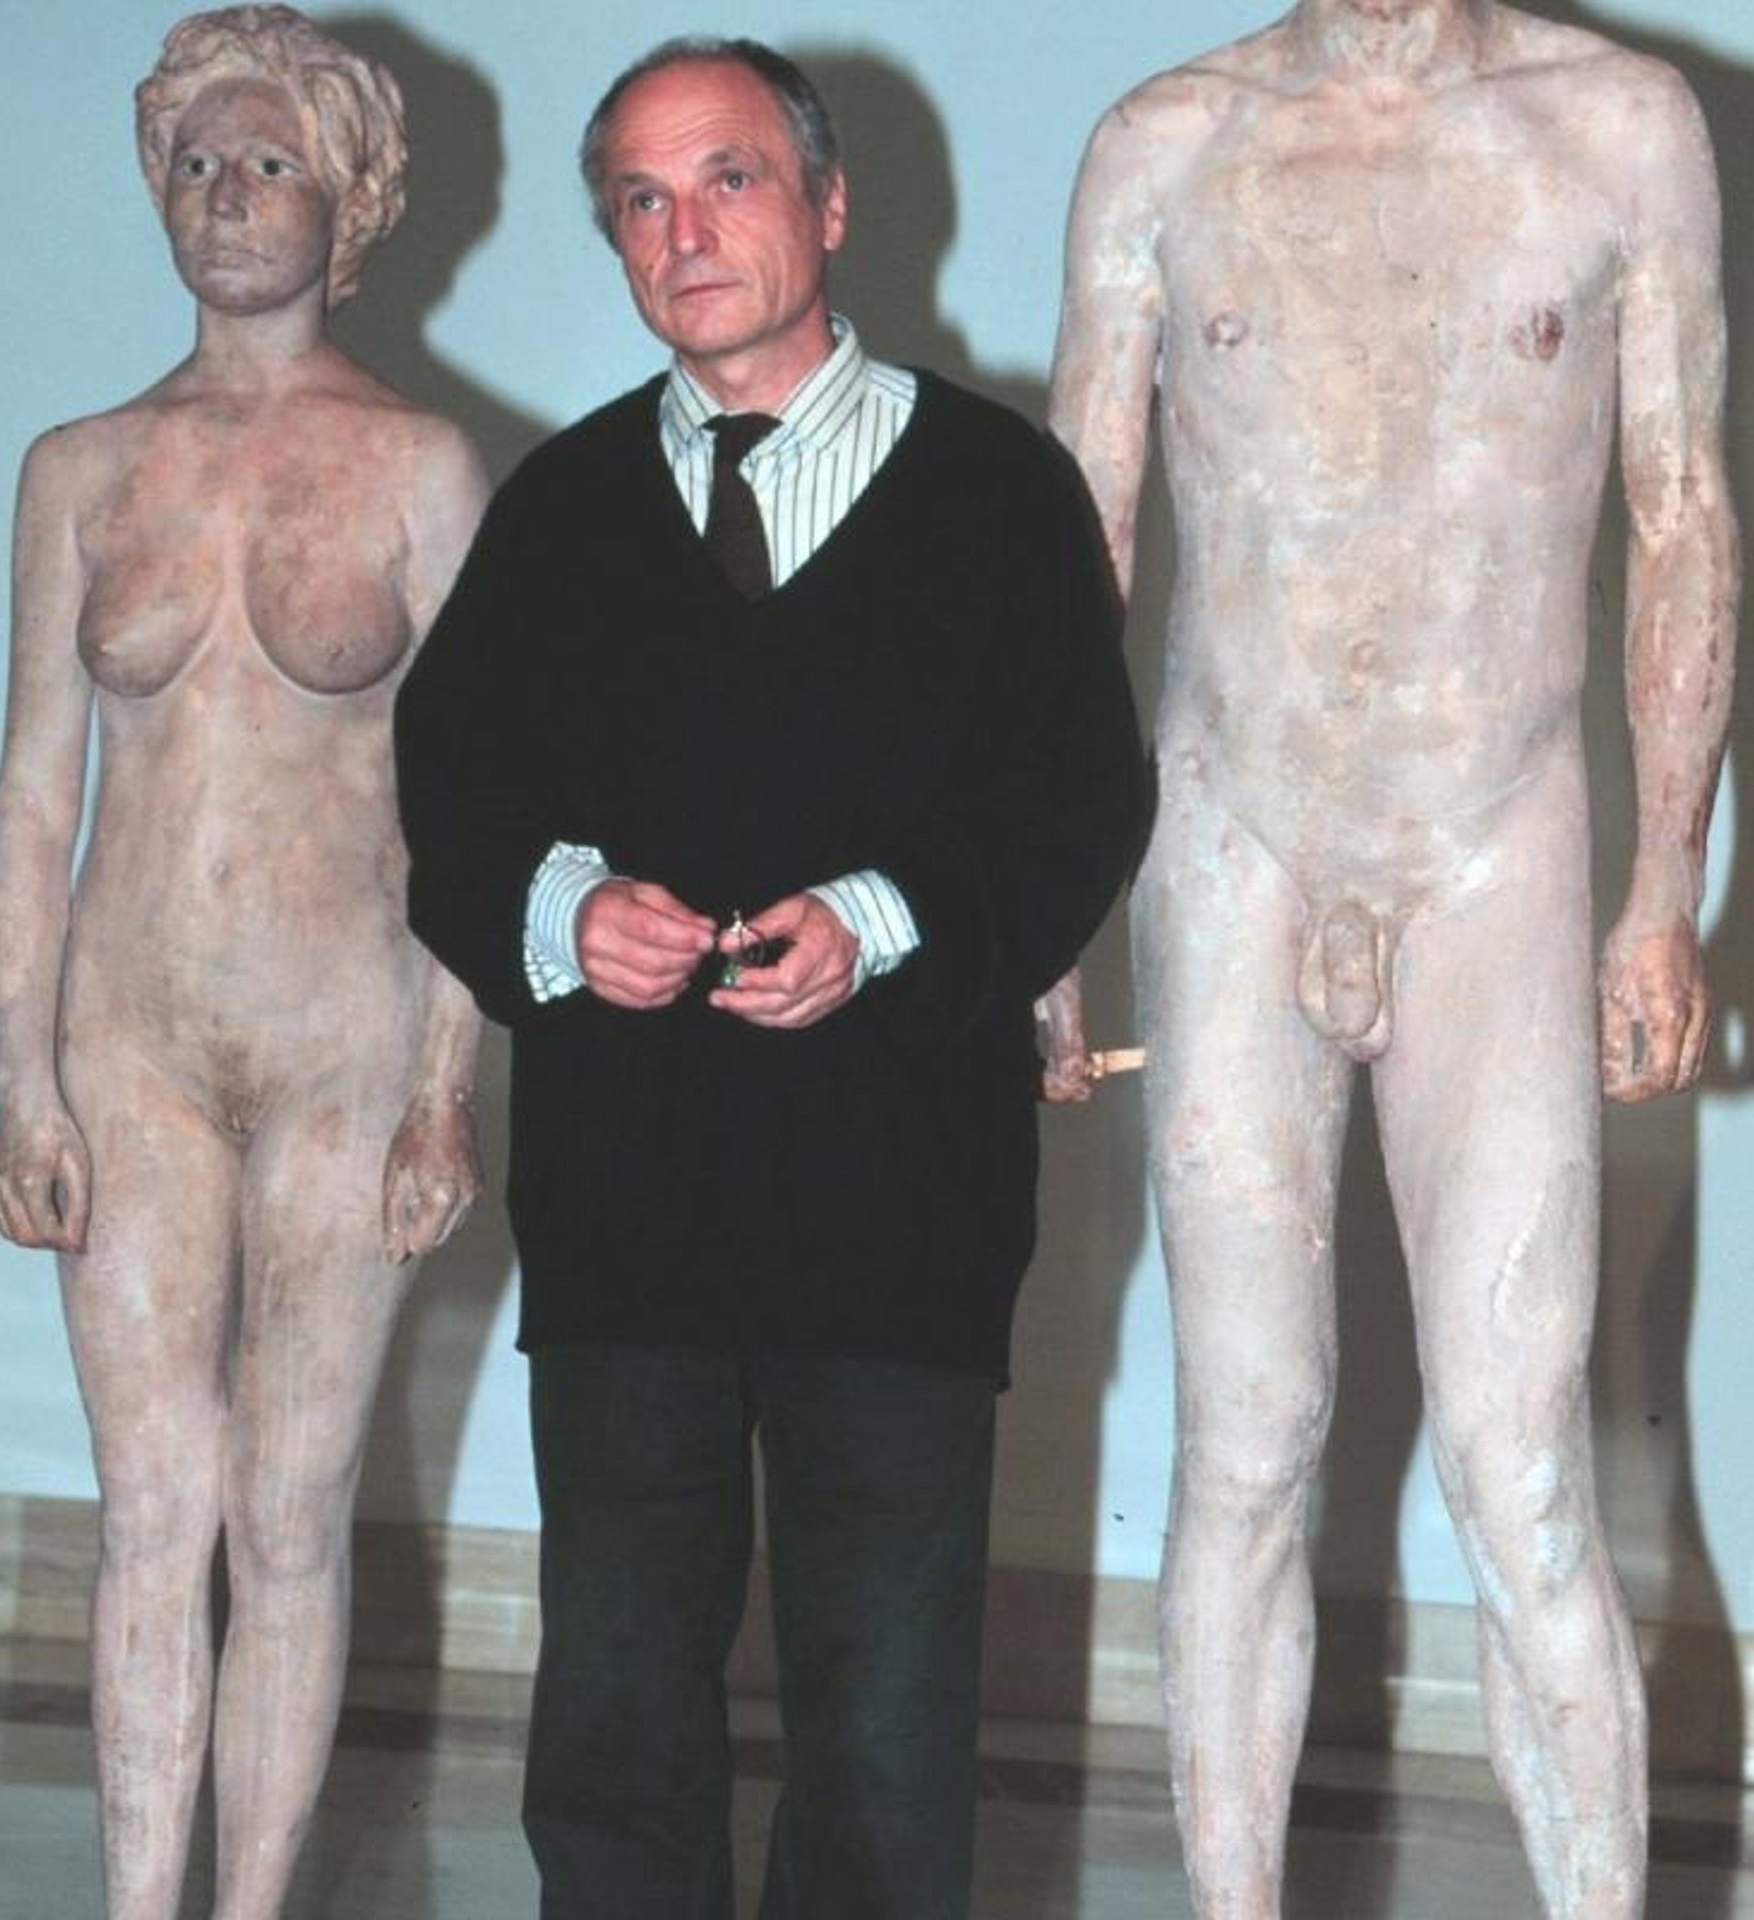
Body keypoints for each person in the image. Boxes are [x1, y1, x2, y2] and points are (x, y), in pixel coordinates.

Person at [393, 36, 1148, 1919]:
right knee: (613, 1727)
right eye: (639, 201)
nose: (683, 231)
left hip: (900, 1214)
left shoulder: (1003, 493)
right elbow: (454, 801)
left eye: (726, 177)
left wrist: (882, 921)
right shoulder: (559, 507)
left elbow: (1079, 799)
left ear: (828, 201)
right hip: (624, 1214)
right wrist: (562, 911)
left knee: (883, 1742)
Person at [1049, 2, 1738, 1913]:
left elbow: (1682, 509)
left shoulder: (1617, 126)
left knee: (1524, 1473)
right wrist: (1048, 903)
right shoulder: (1168, 141)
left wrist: (1664, 885)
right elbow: (1081, 543)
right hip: (1232, 835)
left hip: (1495, 839)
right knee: (1243, 1445)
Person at [0, 10, 485, 1916]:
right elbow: (34, 790)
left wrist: (444, 1088)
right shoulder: (82, 469)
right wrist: (20, 1078)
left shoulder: (423, 467)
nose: (228, 196)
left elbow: (473, 806)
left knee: (287, 1510)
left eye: (269, 162)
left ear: (346, 195)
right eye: (197, 163)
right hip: (131, 1037)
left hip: (346, 1037)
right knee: (149, 1509)